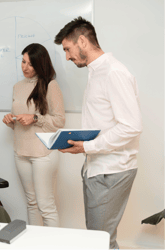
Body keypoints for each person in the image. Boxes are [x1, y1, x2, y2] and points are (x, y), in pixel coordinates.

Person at [54, 17, 142, 249]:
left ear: (82, 41)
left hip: (111, 170)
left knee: (100, 242)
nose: (67, 57)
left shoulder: (114, 72)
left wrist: (88, 147)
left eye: (68, 49)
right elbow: (105, 123)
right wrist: (82, 145)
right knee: (98, 238)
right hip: (97, 168)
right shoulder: (96, 72)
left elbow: (131, 126)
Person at [2, 43, 65, 227]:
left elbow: (60, 121)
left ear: (40, 64)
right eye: (22, 61)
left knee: (46, 206)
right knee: (31, 203)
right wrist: (11, 121)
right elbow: (21, 124)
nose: (24, 67)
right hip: (21, 152)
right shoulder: (17, 87)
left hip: (43, 154)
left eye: (30, 63)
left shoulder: (50, 85)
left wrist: (35, 118)